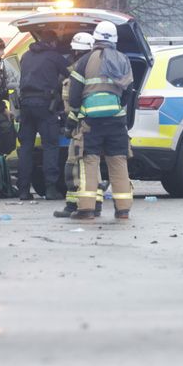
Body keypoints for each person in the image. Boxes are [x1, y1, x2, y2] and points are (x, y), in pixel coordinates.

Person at [66, 21, 134, 221]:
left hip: (91, 123)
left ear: (95, 38)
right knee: (119, 163)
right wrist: (119, 108)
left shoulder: (85, 61)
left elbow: (75, 93)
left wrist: (73, 118)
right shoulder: (123, 59)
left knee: (90, 163)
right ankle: (123, 210)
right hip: (116, 121)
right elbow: (129, 90)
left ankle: (86, 210)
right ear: (114, 39)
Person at [15, 29, 69, 200]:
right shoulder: (54, 56)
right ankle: (51, 188)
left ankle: (23, 190)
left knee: (26, 148)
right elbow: (72, 74)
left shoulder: (26, 56)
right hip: (45, 105)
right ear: (52, 43)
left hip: (25, 105)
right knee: (50, 146)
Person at [54, 32, 99, 219]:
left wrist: (70, 123)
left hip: (80, 125)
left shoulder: (78, 72)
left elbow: (75, 102)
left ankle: (74, 205)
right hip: (91, 124)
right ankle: (94, 204)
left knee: (74, 165)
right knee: (90, 166)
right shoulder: (94, 69)